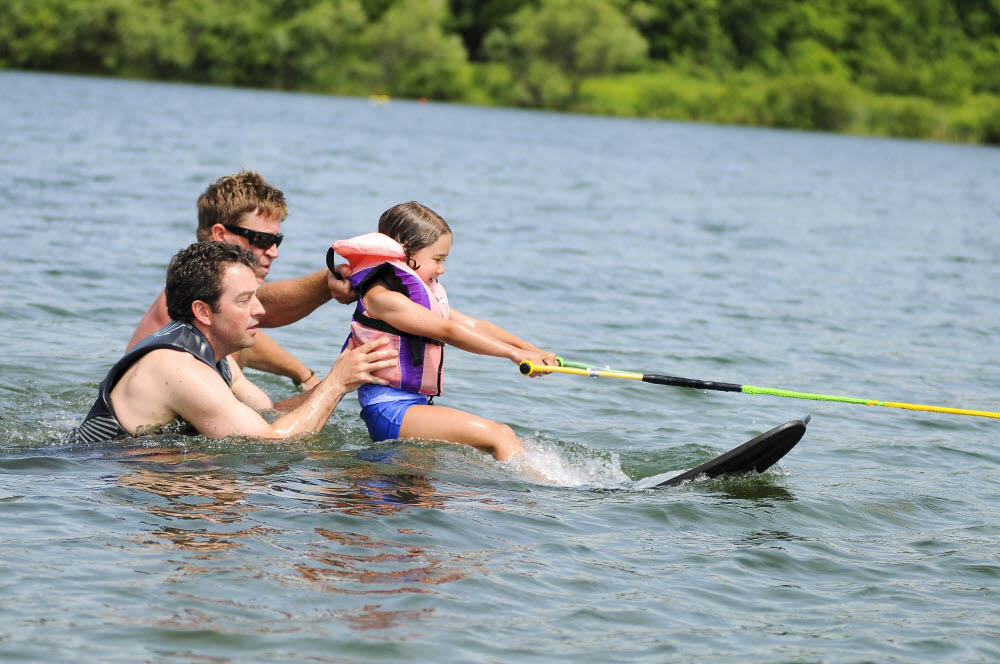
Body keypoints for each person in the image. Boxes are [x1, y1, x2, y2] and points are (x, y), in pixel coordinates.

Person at [73, 242, 397, 444]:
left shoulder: (217, 358)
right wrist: (336, 386)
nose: (260, 309)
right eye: (244, 300)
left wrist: (344, 376)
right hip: (93, 473)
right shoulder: (178, 369)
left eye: (256, 295)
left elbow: (268, 415)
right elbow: (271, 443)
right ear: (203, 311)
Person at [330, 202, 557, 461]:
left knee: (518, 445)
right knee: (500, 435)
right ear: (405, 253)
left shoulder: (417, 298)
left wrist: (531, 350)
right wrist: (512, 355)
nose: (442, 269)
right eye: (437, 259)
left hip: (413, 407)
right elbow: (448, 331)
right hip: (388, 410)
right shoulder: (382, 299)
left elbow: (473, 325)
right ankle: (533, 499)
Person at [128, 171, 354, 389]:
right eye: (262, 239)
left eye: (277, 240)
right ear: (220, 235)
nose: (273, 252)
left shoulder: (221, 318)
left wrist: (302, 374)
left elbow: (248, 331)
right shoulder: (188, 299)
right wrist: (327, 282)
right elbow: (268, 305)